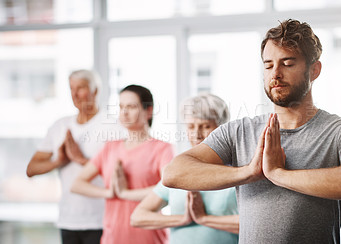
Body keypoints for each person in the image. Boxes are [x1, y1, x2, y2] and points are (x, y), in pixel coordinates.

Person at [162, 19, 341, 243]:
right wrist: (249, 172)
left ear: (314, 70)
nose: (275, 73)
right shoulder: (238, 131)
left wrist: (278, 174)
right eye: (268, 65)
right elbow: (173, 173)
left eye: (287, 63)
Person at [26, 69, 125, 244]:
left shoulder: (113, 126)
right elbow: (31, 169)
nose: (75, 94)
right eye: (71, 88)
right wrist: (59, 161)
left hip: (101, 220)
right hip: (68, 220)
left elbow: (122, 174)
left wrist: (82, 160)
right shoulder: (60, 126)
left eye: (81, 88)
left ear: (95, 90)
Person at [71, 84, 173, 244]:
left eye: (131, 106)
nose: (124, 112)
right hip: (112, 238)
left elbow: (168, 189)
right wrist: (110, 193)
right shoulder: (110, 147)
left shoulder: (162, 149)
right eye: (121, 107)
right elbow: (77, 184)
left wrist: (125, 194)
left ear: (149, 110)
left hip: (150, 238)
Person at [131, 93, 239, 244]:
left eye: (205, 126)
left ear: (222, 129)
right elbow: (138, 217)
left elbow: (254, 223)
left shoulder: (237, 173)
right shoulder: (179, 171)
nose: (197, 134)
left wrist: (205, 219)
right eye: (191, 127)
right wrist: (183, 219)